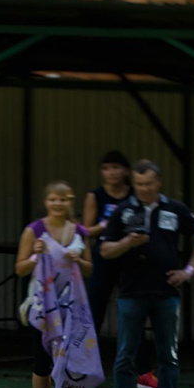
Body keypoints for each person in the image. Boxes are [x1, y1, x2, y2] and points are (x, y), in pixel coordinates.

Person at [99, 161, 194, 388]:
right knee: (125, 355)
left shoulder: (175, 209)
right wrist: (127, 243)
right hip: (131, 292)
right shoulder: (123, 211)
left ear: (159, 182)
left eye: (148, 184)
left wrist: (189, 271)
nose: (143, 189)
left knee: (169, 355)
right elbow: (105, 250)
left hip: (166, 293)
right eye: (139, 184)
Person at [18, 181, 100, 388]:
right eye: (53, 199)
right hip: (43, 306)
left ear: (70, 202)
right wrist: (35, 255)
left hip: (73, 306)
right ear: (46, 201)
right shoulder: (34, 230)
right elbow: (20, 268)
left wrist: (79, 261)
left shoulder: (79, 231)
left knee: (76, 360)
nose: (58, 204)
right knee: (42, 362)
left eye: (63, 199)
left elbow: (90, 268)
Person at [83, 149, 136, 366]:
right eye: (106, 168)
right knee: (95, 308)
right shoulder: (95, 195)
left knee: (132, 310)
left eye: (115, 167)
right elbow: (86, 231)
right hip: (103, 257)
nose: (111, 172)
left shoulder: (134, 194)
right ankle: (85, 362)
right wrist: (106, 224)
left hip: (129, 258)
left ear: (126, 171)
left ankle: (140, 367)